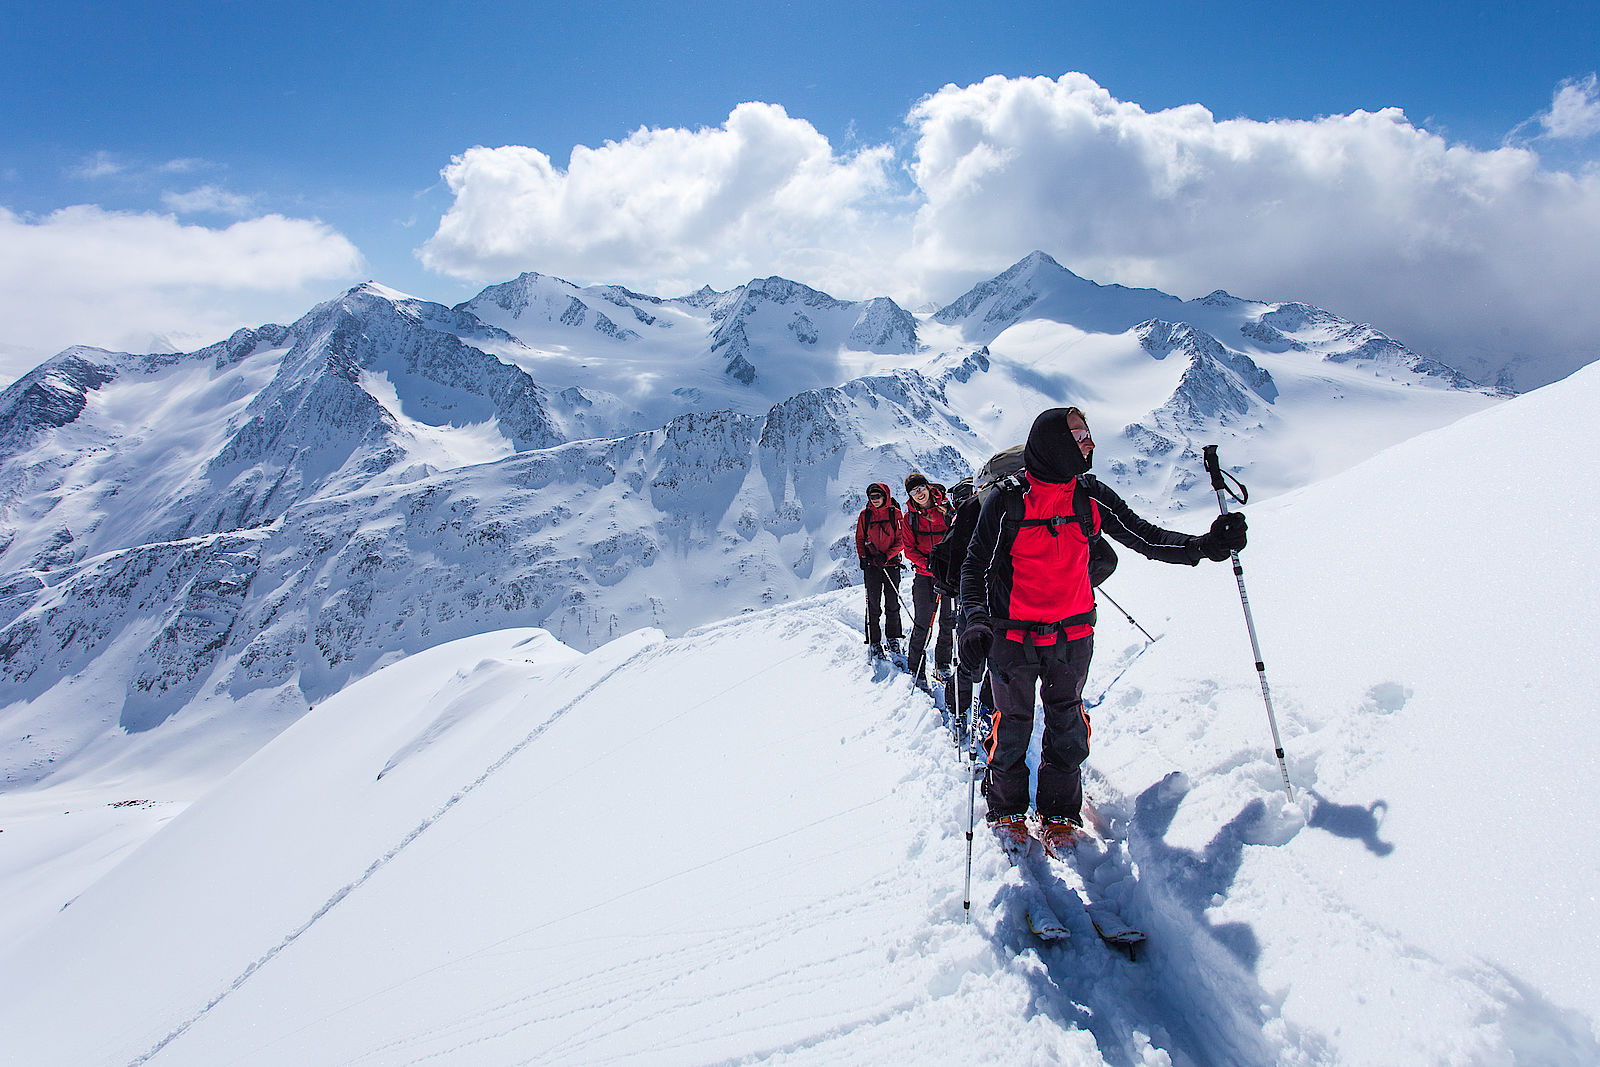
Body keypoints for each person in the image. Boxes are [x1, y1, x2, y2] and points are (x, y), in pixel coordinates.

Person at [958, 407, 1247, 859]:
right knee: (1013, 726)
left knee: (1067, 725)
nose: (1089, 442)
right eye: (1078, 435)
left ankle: (1059, 814)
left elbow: (1144, 537)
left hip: (1072, 637)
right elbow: (974, 567)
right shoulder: (1007, 500)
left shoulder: (1089, 496)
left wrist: (1202, 547)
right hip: (1012, 638)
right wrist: (973, 621)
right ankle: (1007, 810)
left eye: (1087, 433)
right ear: (1053, 443)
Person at [899, 472, 956, 688]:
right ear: (910, 496)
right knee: (923, 621)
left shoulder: (948, 511)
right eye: (913, 491)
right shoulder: (909, 518)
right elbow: (909, 549)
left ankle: (942, 663)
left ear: (928, 487)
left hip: (948, 575)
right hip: (925, 576)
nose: (919, 493)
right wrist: (928, 565)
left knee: (947, 621)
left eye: (920, 488)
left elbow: (958, 537)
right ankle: (916, 666)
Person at [855, 482, 905, 659]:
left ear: (885, 496)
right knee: (873, 605)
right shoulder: (865, 515)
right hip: (872, 566)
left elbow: (901, 540)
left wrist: (887, 556)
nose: (874, 500)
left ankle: (893, 637)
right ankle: (874, 640)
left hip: (891, 565)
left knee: (892, 604)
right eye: (872, 497)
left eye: (878, 496)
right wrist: (863, 557)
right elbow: (860, 538)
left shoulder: (895, 514)